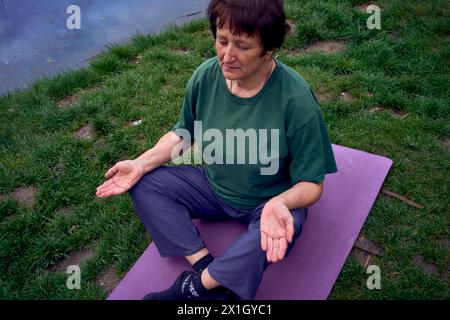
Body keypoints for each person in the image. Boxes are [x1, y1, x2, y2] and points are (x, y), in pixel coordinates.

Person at [96, 0, 337, 300]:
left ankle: (191, 288)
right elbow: (183, 134)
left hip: (268, 202)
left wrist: (281, 203)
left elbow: (312, 184)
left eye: (242, 46)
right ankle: (208, 271)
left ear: (269, 48)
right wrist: (141, 163)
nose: (227, 56)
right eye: (222, 41)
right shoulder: (205, 77)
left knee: (285, 227)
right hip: (213, 187)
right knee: (144, 183)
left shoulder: (296, 100)